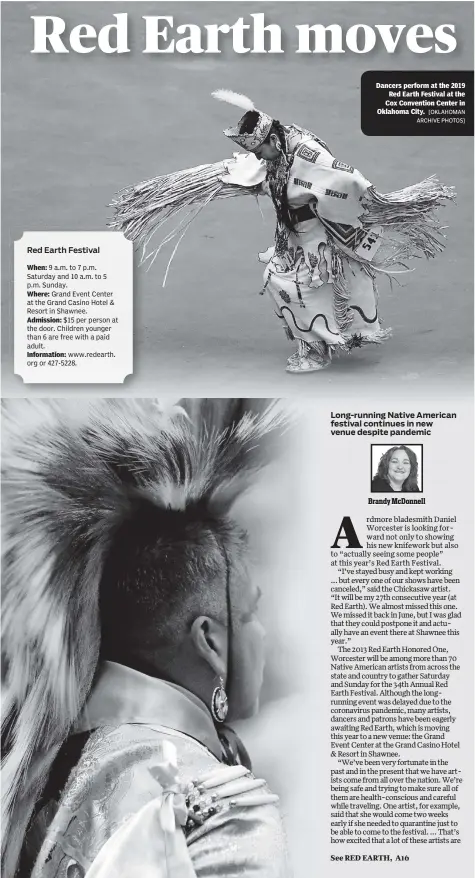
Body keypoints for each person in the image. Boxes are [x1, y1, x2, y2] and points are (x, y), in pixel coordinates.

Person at [1, 399, 291, 878]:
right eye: (251, 614)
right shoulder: (224, 813)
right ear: (211, 643)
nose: (264, 634)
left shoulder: (43, 783)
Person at [110, 91, 455, 375]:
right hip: (293, 233)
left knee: (297, 287)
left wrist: (381, 204)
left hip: (315, 234)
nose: (259, 157)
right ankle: (324, 343)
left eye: (261, 150)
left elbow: (344, 180)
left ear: (273, 139)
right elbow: (264, 172)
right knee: (281, 282)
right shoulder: (279, 149)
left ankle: (320, 350)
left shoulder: (309, 153)